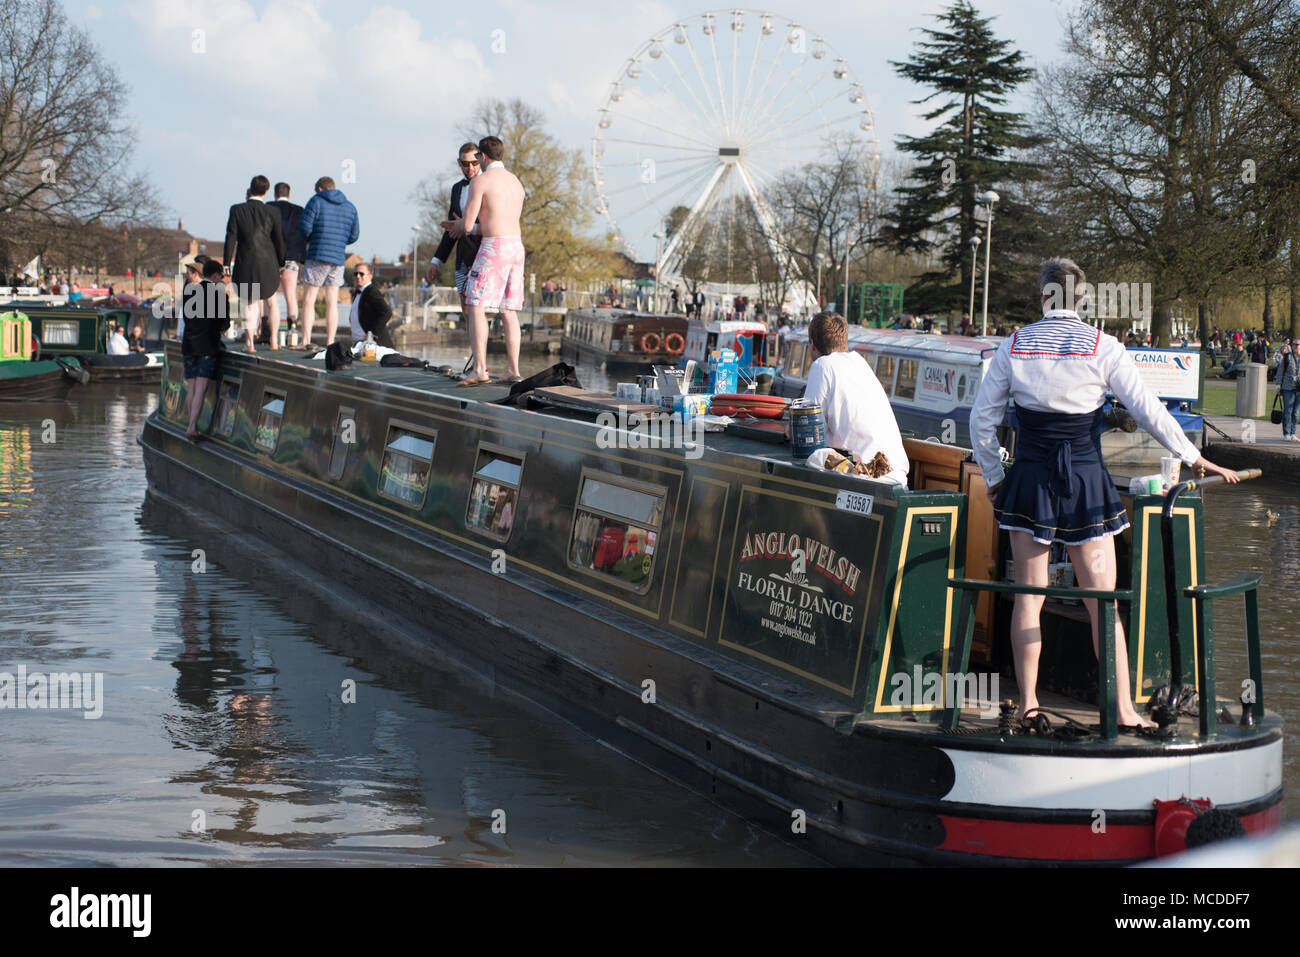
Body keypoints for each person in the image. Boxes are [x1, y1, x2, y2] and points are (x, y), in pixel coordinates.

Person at [969, 257, 1239, 727]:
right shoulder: (1104, 346)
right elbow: (1150, 411)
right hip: (1087, 483)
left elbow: (980, 421)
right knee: (1102, 601)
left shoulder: (1012, 346)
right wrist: (1196, 458)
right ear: (1082, 299)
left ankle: (1030, 705)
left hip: (1030, 479)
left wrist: (994, 477)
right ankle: (1122, 710)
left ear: (1042, 297)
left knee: (1028, 596)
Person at [445, 136, 525, 385]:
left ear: (482, 156)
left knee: (475, 304)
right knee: (508, 309)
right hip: (516, 246)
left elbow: (469, 226)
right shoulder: (516, 182)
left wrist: (458, 224)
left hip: (495, 248)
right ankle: (513, 369)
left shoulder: (481, 181)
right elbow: (499, 222)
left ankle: (479, 369)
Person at [803, 312, 909, 486]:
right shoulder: (860, 362)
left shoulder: (822, 366)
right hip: (898, 476)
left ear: (812, 345)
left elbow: (809, 428)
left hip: (866, 478)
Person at [223, 174, 285, 352]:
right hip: (268, 262)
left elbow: (231, 238)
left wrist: (226, 263)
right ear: (266, 191)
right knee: (271, 302)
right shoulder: (273, 212)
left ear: (250, 189)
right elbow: (279, 239)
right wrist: (282, 262)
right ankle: (274, 340)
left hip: (246, 262)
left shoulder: (236, 210)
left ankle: (249, 343)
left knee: (249, 303)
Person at [299, 176, 360, 349]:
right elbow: (354, 235)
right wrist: (339, 242)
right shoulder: (350, 206)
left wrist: (315, 238)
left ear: (319, 189)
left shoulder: (316, 201)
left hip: (318, 254)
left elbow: (304, 227)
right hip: (338, 258)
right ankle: (330, 342)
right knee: (332, 300)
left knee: (309, 298)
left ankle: (305, 341)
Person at [427, 142, 484, 330]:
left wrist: (465, 226)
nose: (470, 168)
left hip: (486, 255)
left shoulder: (489, 184)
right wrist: (436, 261)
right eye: (465, 164)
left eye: (474, 163)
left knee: (481, 310)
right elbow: (451, 229)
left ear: (481, 160)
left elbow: (496, 224)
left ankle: (483, 358)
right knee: (467, 310)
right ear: (459, 163)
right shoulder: (457, 189)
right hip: (463, 257)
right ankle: (476, 356)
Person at [181, 259, 231, 440]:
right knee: (201, 388)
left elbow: (186, 318)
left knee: (192, 386)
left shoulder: (189, 290)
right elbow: (224, 323)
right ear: (216, 275)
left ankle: (188, 422)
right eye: (221, 277)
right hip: (207, 346)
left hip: (189, 344)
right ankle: (192, 427)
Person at [268, 182, 306, 336]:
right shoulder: (299, 211)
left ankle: (269, 331)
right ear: (289, 195)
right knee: (290, 296)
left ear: (275, 195)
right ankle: (293, 329)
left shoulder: (268, 208)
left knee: (269, 297)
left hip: (271, 257)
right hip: (291, 258)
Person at [349, 263, 394, 349]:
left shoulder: (372, 291)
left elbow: (387, 312)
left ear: (370, 276)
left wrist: (372, 333)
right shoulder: (358, 292)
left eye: (361, 274)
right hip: (359, 343)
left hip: (373, 344)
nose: (358, 276)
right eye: (356, 274)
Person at [1277, 338, 1300, 441]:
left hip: (1299, 388)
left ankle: (1293, 433)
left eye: (1298, 344)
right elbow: (1280, 372)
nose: (1296, 346)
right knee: (1288, 410)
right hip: (1288, 387)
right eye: (1294, 344)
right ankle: (1286, 433)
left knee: (1295, 412)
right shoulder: (1287, 357)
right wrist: (1278, 385)